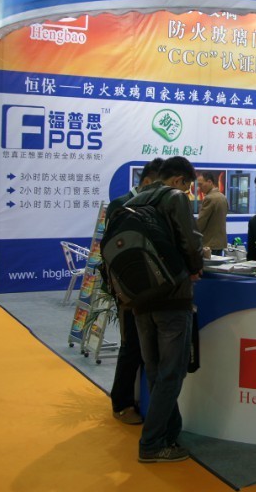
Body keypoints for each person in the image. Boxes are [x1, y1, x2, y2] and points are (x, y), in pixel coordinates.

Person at [124, 156, 203, 463]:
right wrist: (195, 266)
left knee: (156, 372)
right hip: (172, 296)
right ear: (178, 180)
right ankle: (152, 443)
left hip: (141, 299)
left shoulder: (135, 199)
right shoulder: (174, 198)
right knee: (171, 373)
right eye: (187, 186)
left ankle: (170, 432)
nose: (187, 192)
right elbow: (190, 242)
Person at [102, 156, 164, 426]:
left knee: (144, 345)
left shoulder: (152, 205)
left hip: (150, 289)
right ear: (147, 181)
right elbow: (114, 251)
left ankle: (138, 397)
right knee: (131, 345)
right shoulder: (121, 206)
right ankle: (121, 403)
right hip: (128, 289)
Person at [195, 171, 228, 254]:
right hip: (220, 242)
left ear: (209, 182)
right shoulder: (222, 197)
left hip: (209, 243)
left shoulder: (209, 198)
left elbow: (201, 221)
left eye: (200, 184)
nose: (199, 188)